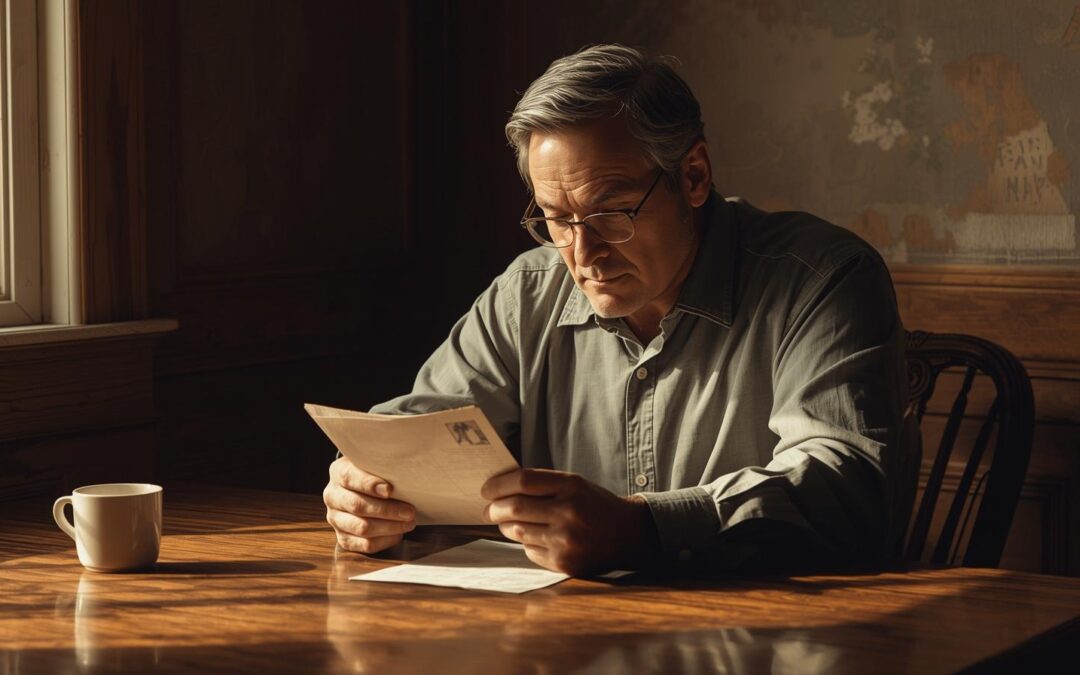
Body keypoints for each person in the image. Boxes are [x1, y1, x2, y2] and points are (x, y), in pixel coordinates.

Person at [322, 44, 908, 576]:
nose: (583, 254)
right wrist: (365, 484)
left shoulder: (823, 278)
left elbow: (846, 481)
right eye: (555, 217)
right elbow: (415, 431)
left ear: (694, 175)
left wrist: (645, 528)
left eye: (612, 212)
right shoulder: (528, 291)